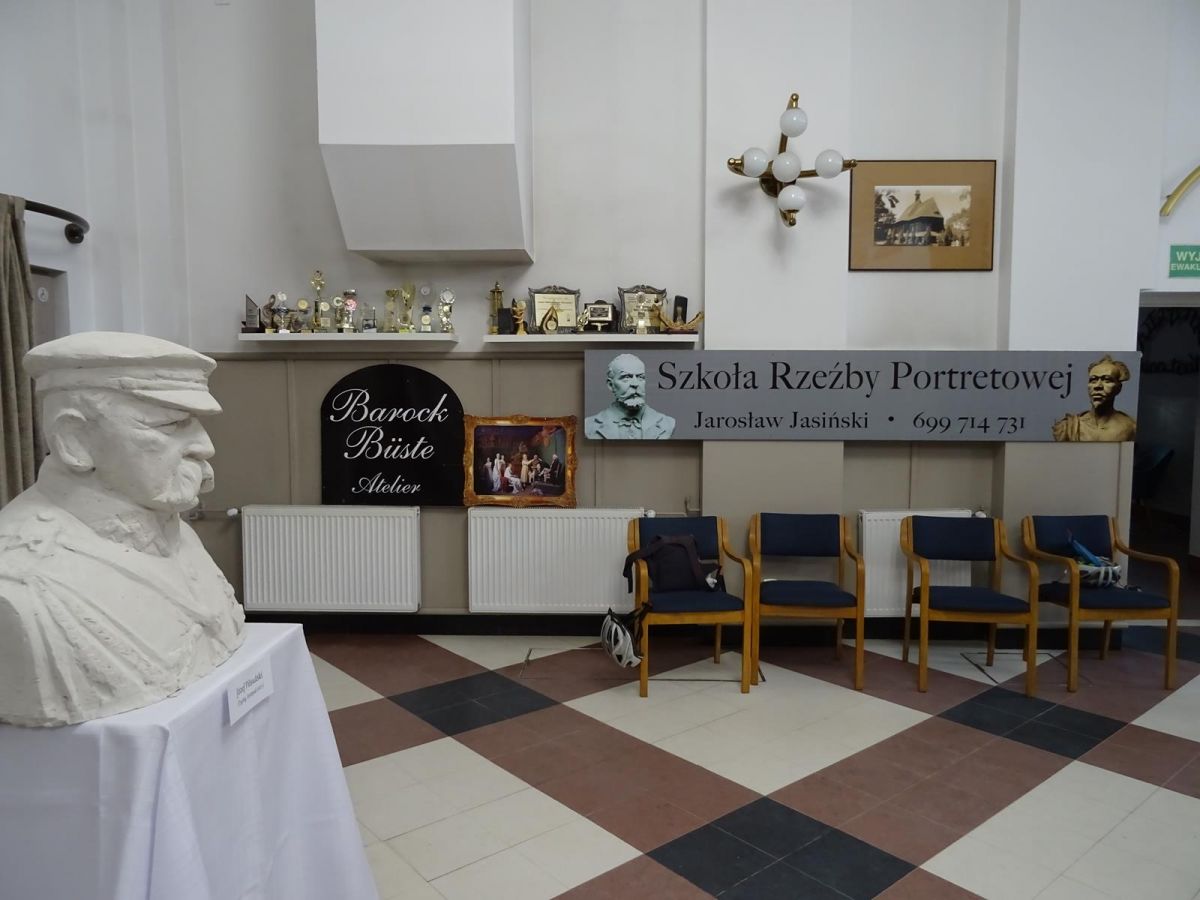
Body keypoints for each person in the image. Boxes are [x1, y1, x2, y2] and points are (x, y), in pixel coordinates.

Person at [0, 332, 246, 727]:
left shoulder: (175, 532)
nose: (204, 446)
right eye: (170, 424)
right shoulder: (20, 586)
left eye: (195, 423)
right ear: (75, 440)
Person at [585, 353, 675, 439]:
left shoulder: (666, 423)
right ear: (611, 385)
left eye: (640, 377)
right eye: (626, 377)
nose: (635, 384)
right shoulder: (590, 425)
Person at [1052, 355, 1138, 442]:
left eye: (1107, 380)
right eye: (1093, 380)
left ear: (1118, 388)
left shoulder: (1130, 427)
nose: (1098, 386)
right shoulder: (1067, 427)